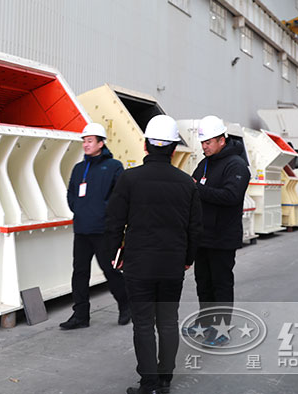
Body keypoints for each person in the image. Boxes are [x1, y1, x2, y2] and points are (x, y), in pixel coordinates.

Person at [106, 115, 203, 394]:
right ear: (173, 149)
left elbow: (114, 222)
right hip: (172, 264)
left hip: (139, 264)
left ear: (146, 145)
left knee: (144, 324)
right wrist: (188, 258)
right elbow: (195, 228)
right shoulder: (187, 183)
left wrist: (116, 255)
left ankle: (148, 382)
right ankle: (165, 379)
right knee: (168, 321)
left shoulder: (129, 179)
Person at [187, 115, 250, 347]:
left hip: (223, 237)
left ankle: (221, 329)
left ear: (222, 140)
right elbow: (194, 189)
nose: (204, 146)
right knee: (203, 282)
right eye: (202, 142)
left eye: (209, 142)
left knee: (221, 284)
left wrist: (198, 190)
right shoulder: (204, 163)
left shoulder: (236, 165)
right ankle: (204, 322)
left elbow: (231, 196)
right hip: (202, 236)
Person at [60, 122, 129, 330]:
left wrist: (103, 214)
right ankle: (81, 315)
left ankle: (126, 305)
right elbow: (71, 193)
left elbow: (119, 196)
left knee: (110, 270)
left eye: (90, 141)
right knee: (79, 273)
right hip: (81, 229)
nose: (85, 145)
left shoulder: (114, 166)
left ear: (101, 143)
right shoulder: (79, 168)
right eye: (84, 141)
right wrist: (79, 209)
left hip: (103, 230)